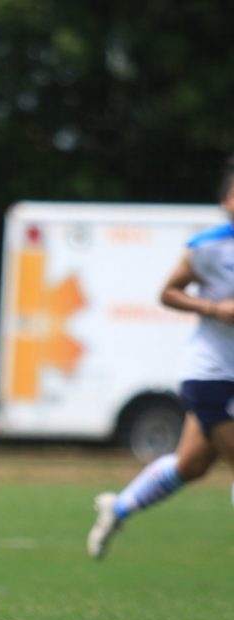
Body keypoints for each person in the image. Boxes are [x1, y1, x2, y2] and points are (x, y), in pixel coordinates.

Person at [87, 156, 234, 560]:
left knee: (191, 465)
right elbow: (168, 292)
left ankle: (116, 507)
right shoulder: (207, 248)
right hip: (213, 374)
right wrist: (215, 309)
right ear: (225, 199)